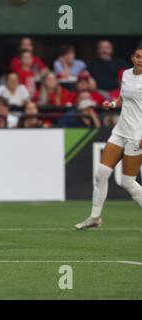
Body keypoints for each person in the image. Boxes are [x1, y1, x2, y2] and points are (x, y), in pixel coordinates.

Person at [76, 45, 142, 230]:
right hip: (120, 131)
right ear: (132, 58)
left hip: (137, 135)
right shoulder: (127, 74)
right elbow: (123, 98)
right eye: (137, 56)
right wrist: (112, 102)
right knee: (101, 174)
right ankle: (95, 217)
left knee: (128, 182)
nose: (140, 60)